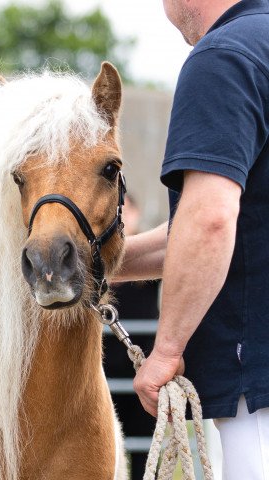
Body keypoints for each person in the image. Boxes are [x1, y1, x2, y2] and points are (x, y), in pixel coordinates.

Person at [115, 1, 269, 478]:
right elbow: (211, 226)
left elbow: (210, 223)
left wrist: (165, 351)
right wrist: (100, 263)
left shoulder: (223, 57)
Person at [103, 194, 159, 480]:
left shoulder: (146, 267)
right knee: (105, 451)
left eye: (126, 209)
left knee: (144, 456)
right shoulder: (96, 266)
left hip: (140, 373)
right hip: (104, 376)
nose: (121, 215)